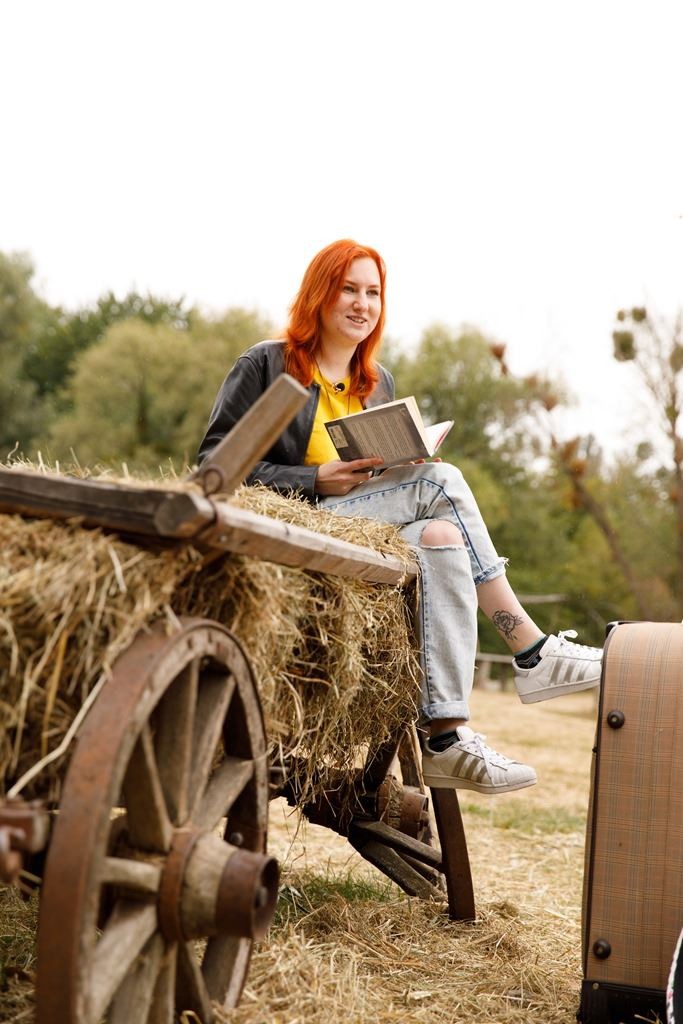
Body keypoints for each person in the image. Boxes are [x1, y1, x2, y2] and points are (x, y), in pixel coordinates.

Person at [198, 239, 602, 795]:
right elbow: (214, 466)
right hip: (297, 521)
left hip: (363, 528)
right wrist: (315, 478)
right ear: (320, 294)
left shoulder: (377, 381)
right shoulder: (265, 363)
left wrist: (399, 465)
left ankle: (445, 736)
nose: (362, 303)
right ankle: (530, 651)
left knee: (441, 535)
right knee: (441, 482)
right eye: (348, 289)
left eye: (373, 293)